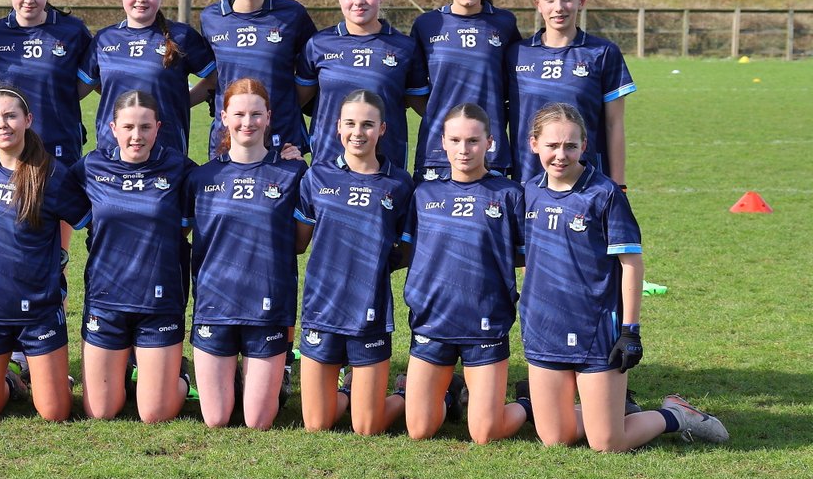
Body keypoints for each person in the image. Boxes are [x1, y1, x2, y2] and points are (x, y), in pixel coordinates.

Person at [519, 103, 727, 448]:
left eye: (570, 146)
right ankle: (608, 409)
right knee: (555, 439)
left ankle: (675, 414)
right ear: (533, 144)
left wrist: (631, 331)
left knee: (607, 443)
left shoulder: (605, 194)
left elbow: (631, 264)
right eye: (552, 145)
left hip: (596, 329)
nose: (561, 155)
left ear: (584, 146)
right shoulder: (528, 193)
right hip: (544, 328)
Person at [184, 77, 308, 430]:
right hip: (214, 305)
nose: (247, 122)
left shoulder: (293, 172)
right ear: (223, 117)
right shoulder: (201, 177)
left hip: (267, 308)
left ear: (269, 117)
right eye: (239, 114)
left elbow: (299, 243)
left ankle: (270, 377)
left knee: (257, 421)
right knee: (217, 418)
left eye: (256, 114)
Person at [0, 84, 90, 422]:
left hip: (39, 309)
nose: (2, 124)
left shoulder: (52, 175)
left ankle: (44, 379)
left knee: (55, 412)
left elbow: (88, 220)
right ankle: (11, 381)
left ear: (27, 119)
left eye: (10, 116)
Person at [65, 90, 194, 423]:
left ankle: (181, 376)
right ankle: (123, 370)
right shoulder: (92, 166)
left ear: (158, 127)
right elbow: (44, 184)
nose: (137, 136)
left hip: (159, 303)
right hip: (106, 301)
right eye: (128, 127)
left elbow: (221, 184)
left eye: (145, 127)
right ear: (113, 127)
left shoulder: (179, 167)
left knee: (154, 414)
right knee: (101, 411)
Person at [401, 103, 527, 443]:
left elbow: (527, 257)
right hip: (434, 321)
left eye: (472, 141)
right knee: (419, 429)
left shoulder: (509, 195)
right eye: (455, 140)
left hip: (486, 322)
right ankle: (450, 393)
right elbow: (408, 252)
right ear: (442, 142)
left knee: (485, 433)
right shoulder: (424, 194)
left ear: (490, 142)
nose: (463, 149)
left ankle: (529, 403)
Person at [294, 90, 415, 435]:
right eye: (350, 123)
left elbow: (404, 251)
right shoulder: (317, 177)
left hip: (370, 312)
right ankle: (350, 391)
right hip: (322, 308)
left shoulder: (399, 184)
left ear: (382, 129)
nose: (358, 132)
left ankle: (408, 393)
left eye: (367, 124)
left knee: (367, 427)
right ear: (337, 127)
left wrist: (371, 265)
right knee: (317, 424)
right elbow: (300, 243)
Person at [511, 0, 634, 187]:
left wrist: (619, 185)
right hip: (527, 181)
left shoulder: (603, 53)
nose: (559, 7)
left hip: (587, 183)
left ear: (582, 1)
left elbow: (614, 124)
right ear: (538, 3)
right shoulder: (516, 54)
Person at [300, 0, 428, 169]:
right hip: (327, 168)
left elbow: (425, 107)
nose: (358, 0)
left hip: (385, 169)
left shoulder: (405, 48)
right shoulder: (318, 44)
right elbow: (293, 102)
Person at [196, 0, 316, 157]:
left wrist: (282, 108)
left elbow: (313, 73)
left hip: (283, 139)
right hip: (230, 138)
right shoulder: (211, 18)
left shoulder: (292, 15)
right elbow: (213, 78)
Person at [410, 0, 522, 179]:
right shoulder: (427, 25)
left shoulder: (504, 24)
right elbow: (413, 91)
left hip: (491, 151)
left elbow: (517, 87)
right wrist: (444, 118)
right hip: (437, 152)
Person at [88, 0, 215, 161]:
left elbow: (215, 78)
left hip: (167, 151)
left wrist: (182, 101)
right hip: (112, 153)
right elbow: (88, 85)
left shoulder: (182, 36)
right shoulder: (103, 39)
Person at [0, 0, 95, 164]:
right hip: (8, 149)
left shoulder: (73, 31)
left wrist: (63, 97)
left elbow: (96, 78)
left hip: (60, 146)